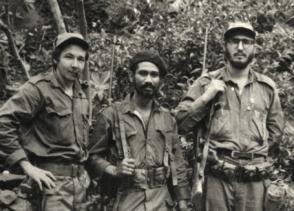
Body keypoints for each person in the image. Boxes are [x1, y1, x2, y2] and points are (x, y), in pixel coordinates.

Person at [175, 22, 284, 211]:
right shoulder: (206, 83)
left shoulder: (267, 87)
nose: (240, 47)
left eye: (246, 42)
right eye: (234, 41)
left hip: (254, 183)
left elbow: (275, 133)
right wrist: (205, 98)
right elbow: (180, 125)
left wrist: (254, 158)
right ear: (225, 46)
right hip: (217, 181)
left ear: (254, 47)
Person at [88, 51, 190, 211]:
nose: (148, 80)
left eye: (154, 75)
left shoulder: (167, 118)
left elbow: (177, 164)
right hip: (126, 198)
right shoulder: (111, 114)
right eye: (143, 73)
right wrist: (114, 169)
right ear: (131, 76)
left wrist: (183, 201)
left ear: (161, 81)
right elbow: (92, 157)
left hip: (162, 201)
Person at [0, 32, 90, 211]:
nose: (75, 65)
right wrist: (26, 166)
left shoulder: (81, 93)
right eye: (69, 57)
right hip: (51, 184)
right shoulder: (38, 89)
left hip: (81, 184)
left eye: (81, 59)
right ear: (56, 59)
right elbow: (3, 123)